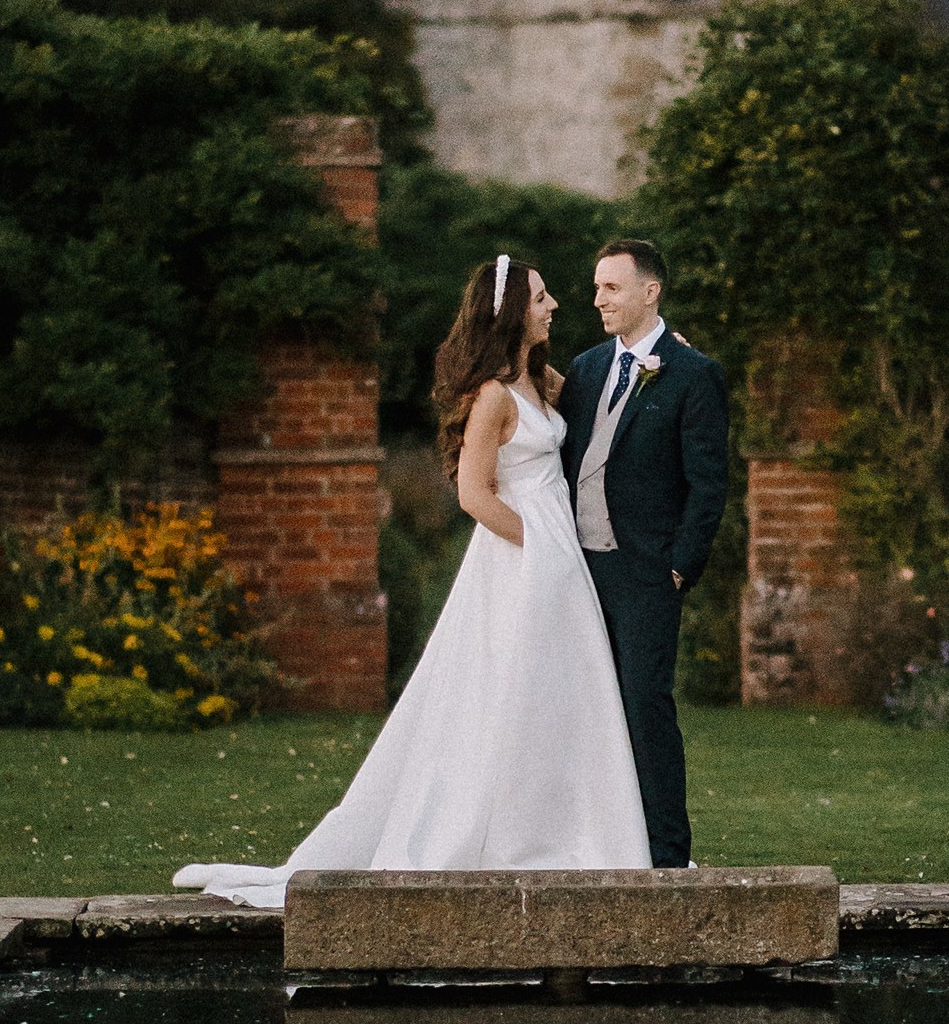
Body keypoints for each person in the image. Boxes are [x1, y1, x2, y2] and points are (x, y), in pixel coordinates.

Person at [172, 254, 651, 901]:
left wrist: (657, 356)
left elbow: (605, 397)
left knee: (563, 692)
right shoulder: (490, 398)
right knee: (512, 690)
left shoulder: (538, 382)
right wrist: (542, 547)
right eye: (540, 298)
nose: (553, 307)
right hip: (524, 560)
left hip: (558, 556)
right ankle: (500, 834)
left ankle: (572, 828)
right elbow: (474, 496)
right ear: (510, 312)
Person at [557, 239, 730, 871]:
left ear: (649, 292)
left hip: (648, 570)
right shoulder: (583, 368)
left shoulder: (693, 374)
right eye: (597, 287)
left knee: (644, 703)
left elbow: (708, 481)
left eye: (611, 288)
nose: (598, 299)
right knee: (581, 704)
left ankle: (667, 855)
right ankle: (591, 842)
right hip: (575, 568)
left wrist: (681, 562)